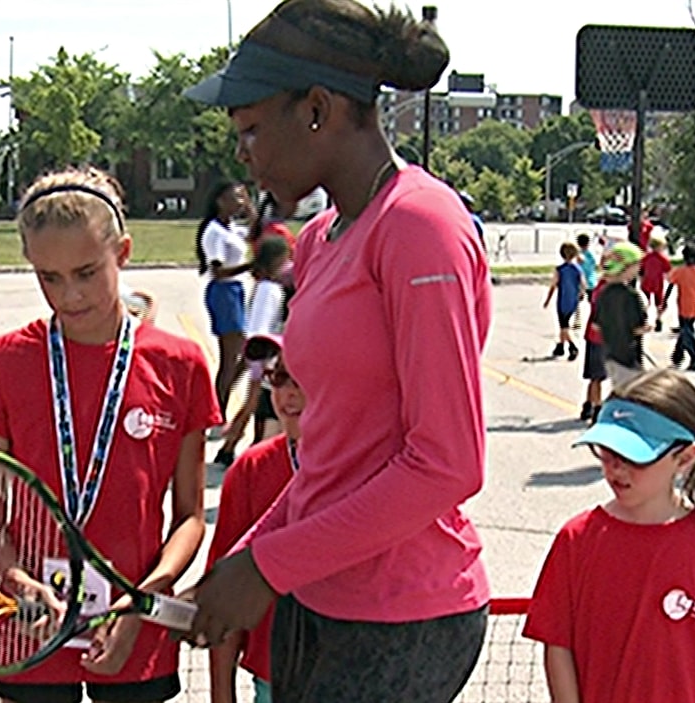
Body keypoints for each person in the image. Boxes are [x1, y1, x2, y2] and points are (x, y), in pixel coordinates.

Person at [183, 2, 492, 701]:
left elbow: (447, 462)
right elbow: (334, 457)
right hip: (322, 594)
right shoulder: (322, 237)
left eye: (253, 129)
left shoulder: (419, 226)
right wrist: (246, 558)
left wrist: (265, 566)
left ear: (317, 109)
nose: (244, 154)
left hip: (405, 614)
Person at [0, 167, 219, 703]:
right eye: (48, 277)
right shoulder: (3, 362)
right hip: (30, 631)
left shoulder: (180, 363)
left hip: (132, 630)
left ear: (122, 252)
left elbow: (189, 515)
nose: (69, 295)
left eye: (86, 272)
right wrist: (18, 584)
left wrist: (142, 603)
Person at [523, 369, 695, 703]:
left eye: (633, 456)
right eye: (607, 452)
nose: (615, 468)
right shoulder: (577, 540)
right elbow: (558, 646)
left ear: (685, 457)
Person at [207, 334, 303, 703]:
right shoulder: (252, 467)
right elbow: (225, 594)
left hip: (354, 671)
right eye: (277, 379)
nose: (287, 393)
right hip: (274, 677)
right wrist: (221, 696)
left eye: (300, 378)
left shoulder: (371, 463)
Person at [214, 237, 292, 467]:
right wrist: (259, 364)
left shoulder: (268, 286)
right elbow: (259, 328)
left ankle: (230, 448)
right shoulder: (270, 290)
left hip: (263, 357)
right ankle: (229, 448)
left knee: (253, 407)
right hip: (264, 358)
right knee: (251, 405)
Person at [196, 180, 255, 431]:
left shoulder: (231, 228)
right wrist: (253, 265)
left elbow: (256, 229)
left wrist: (250, 207)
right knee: (231, 356)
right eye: (235, 197)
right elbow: (218, 271)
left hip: (236, 290)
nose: (239, 202)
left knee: (243, 352)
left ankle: (220, 404)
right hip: (223, 291)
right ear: (220, 200)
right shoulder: (214, 232)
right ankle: (217, 411)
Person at [595, 242, 648, 389]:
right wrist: (647, 328)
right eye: (636, 265)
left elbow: (596, 325)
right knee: (632, 394)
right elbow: (638, 328)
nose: (639, 269)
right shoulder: (631, 296)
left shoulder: (603, 293)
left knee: (617, 387)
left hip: (609, 353)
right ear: (626, 267)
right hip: (629, 356)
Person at [666, 241, 695, 372]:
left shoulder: (680, 271)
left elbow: (670, 285)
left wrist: (663, 302)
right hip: (694, 306)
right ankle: (678, 355)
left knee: (687, 332)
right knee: (685, 329)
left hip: (682, 306)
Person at [544, 241, 584, 361]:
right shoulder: (577, 269)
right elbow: (583, 284)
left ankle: (573, 346)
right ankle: (560, 346)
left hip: (563, 300)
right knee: (563, 325)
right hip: (573, 300)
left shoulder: (560, 270)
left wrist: (547, 299)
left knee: (564, 325)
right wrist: (581, 294)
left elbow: (553, 285)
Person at [580, 270, 609, 425]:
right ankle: (597, 409)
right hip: (599, 338)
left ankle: (588, 404)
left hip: (599, 337)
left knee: (596, 375)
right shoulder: (605, 290)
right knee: (597, 376)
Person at [640, 232, 671, 332]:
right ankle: (658, 319)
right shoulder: (663, 259)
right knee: (660, 303)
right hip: (658, 283)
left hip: (646, 282)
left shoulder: (646, 257)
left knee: (646, 302)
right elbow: (668, 270)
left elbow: (641, 269)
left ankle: (644, 318)